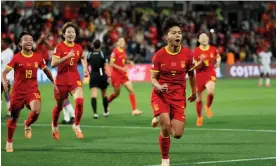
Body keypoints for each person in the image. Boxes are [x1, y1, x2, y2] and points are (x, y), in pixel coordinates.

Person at [150, 15, 197, 166]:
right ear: (166, 36)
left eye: (179, 33)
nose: (178, 35)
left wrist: (194, 91)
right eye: (174, 33)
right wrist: (158, 86)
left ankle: (158, 118)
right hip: (161, 96)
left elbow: (191, 74)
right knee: (165, 127)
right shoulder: (159, 55)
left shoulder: (188, 54)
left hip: (178, 97)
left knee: (177, 134)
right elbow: (153, 78)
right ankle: (165, 160)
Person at [2, 31, 56, 152]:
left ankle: (27, 124)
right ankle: (9, 141)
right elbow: (4, 72)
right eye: (26, 39)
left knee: (36, 111)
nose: (29, 41)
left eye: (31, 39)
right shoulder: (16, 58)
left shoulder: (37, 56)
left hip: (32, 90)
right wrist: (4, 81)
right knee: (14, 118)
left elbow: (46, 70)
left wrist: (54, 82)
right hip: (18, 92)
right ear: (20, 43)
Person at [51, 22, 88, 140]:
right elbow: (53, 64)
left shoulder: (78, 47)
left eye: (73, 32)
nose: (71, 34)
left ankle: (76, 125)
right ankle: (55, 125)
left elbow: (83, 57)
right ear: (64, 34)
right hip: (61, 80)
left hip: (74, 78)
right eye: (68, 32)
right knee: (59, 107)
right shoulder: (59, 47)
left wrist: (86, 69)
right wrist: (67, 56)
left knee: (80, 102)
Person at [108, 37, 143, 116]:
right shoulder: (115, 51)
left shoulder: (123, 50)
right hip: (116, 75)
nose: (122, 42)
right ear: (117, 43)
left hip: (123, 75)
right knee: (117, 93)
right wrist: (121, 68)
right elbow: (111, 63)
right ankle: (107, 102)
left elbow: (123, 60)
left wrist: (129, 62)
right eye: (120, 41)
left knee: (131, 90)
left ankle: (134, 110)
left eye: (123, 41)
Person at [193, 33, 221, 127]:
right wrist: (201, 62)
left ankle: (208, 106)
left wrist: (218, 63)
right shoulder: (196, 51)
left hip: (210, 73)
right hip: (200, 75)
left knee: (210, 92)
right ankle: (200, 117)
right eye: (202, 38)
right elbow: (195, 66)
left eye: (206, 37)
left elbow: (218, 57)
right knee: (199, 98)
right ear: (199, 40)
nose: (204, 39)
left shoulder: (213, 49)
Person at [86, 39, 110, 119]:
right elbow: (106, 66)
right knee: (104, 95)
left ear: (93, 45)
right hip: (102, 75)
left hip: (93, 75)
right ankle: (106, 111)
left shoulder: (89, 54)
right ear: (100, 46)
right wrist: (109, 76)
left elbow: (86, 64)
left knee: (94, 95)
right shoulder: (102, 54)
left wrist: (87, 72)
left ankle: (95, 113)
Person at [1, 37, 14, 117]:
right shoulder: (2, 52)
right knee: (6, 94)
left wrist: (9, 78)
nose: (1, 44)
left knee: (6, 94)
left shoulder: (9, 52)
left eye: (2, 42)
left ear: (6, 44)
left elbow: (10, 66)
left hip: (6, 77)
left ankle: (10, 111)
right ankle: (10, 111)